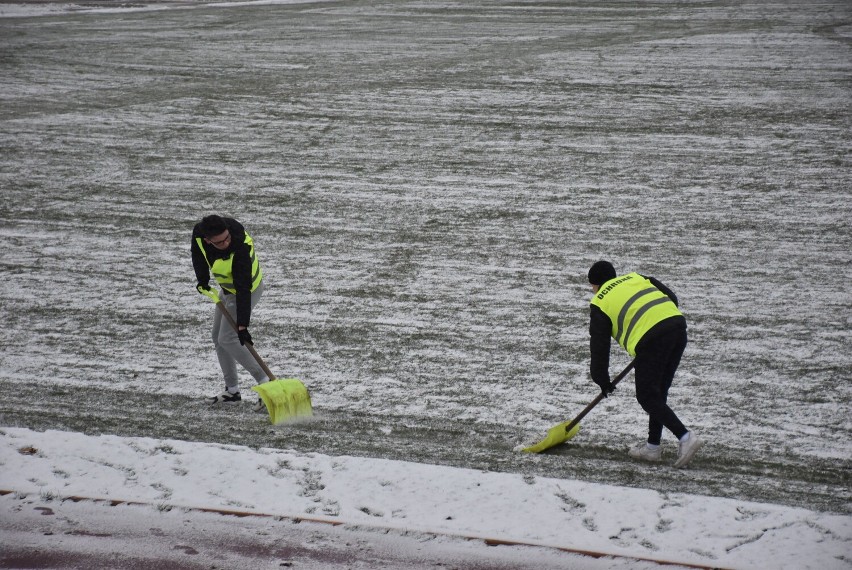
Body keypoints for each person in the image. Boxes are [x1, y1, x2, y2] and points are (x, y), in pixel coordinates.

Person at [587, 260, 701, 468]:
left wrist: (602, 380)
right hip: (676, 326)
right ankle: (652, 447)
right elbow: (671, 298)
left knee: (647, 396)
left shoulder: (600, 302)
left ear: (595, 285)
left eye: (592, 287)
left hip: (653, 340)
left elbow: (599, 346)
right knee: (658, 392)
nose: (593, 291)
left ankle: (685, 437)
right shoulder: (635, 277)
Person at [192, 215, 267, 408]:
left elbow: (243, 289)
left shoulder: (239, 246)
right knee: (218, 337)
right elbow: (198, 254)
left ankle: (265, 384)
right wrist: (202, 280)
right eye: (219, 242)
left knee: (228, 338)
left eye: (227, 238)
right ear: (208, 240)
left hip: (247, 290)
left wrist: (243, 325)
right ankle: (232, 391)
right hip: (227, 289)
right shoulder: (200, 235)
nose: (226, 242)